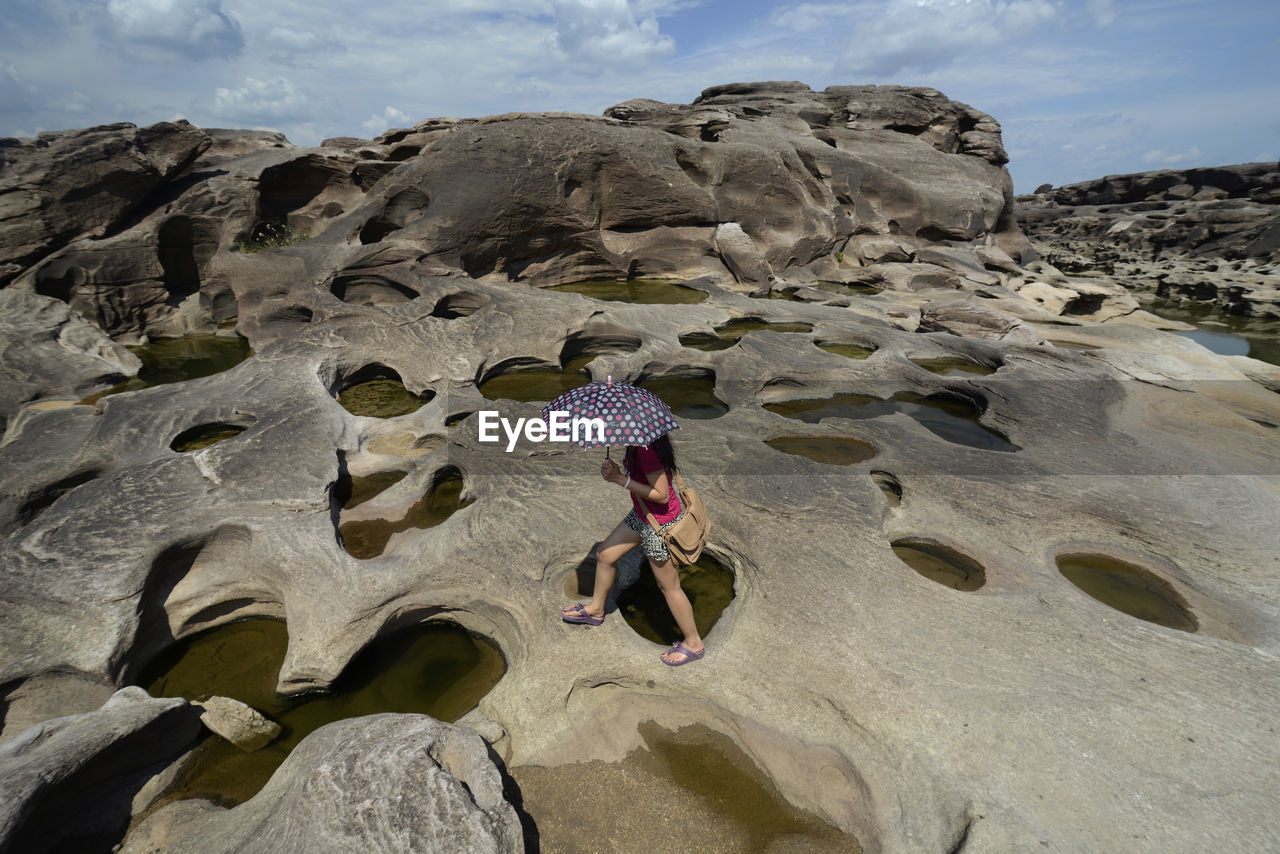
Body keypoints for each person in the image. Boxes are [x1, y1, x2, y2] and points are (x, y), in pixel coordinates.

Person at [560, 435, 706, 666]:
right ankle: (596, 609)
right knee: (605, 554)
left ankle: (694, 643)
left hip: (660, 525)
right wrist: (620, 474)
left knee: (669, 586)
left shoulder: (646, 450)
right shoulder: (641, 443)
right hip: (643, 516)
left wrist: (620, 479)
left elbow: (662, 494)